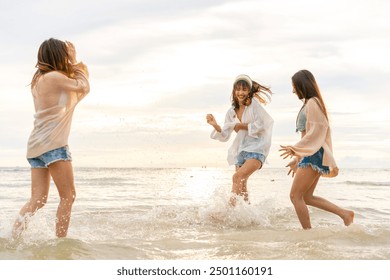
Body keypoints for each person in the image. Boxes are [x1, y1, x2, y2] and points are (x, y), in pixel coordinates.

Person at [12, 38, 90, 238]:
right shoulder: (55, 77)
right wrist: (74, 62)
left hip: (36, 146)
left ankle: (13, 237)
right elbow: (83, 86)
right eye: (64, 53)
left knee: (37, 199)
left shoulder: (38, 80)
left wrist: (71, 66)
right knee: (68, 196)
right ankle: (60, 241)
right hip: (53, 145)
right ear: (58, 55)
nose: (67, 56)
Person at [279, 69, 354, 229]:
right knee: (306, 197)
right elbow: (307, 135)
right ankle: (345, 214)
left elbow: (317, 132)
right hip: (311, 154)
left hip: (314, 155)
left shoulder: (313, 102)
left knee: (295, 196)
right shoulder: (309, 103)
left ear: (302, 85)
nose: (293, 90)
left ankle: (307, 233)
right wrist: (297, 158)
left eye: (294, 86)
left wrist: (295, 149)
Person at [206, 74, 273, 206]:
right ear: (234, 91)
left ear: (249, 91)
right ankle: (249, 217)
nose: (241, 92)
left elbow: (264, 124)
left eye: (244, 89)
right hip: (241, 150)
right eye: (238, 89)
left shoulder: (254, 105)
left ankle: (228, 212)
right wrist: (215, 125)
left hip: (257, 149)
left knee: (236, 177)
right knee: (242, 186)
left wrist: (240, 126)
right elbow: (224, 134)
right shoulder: (231, 112)